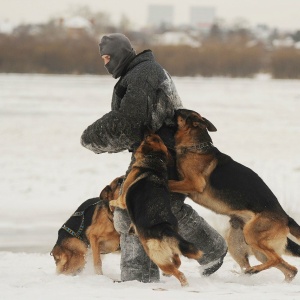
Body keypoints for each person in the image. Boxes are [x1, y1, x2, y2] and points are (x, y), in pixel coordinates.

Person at [80, 33, 227, 283]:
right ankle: (146, 274)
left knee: (144, 208)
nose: (106, 63)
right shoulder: (139, 72)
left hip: (163, 153)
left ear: (122, 53)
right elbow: (136, 126)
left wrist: (91, 138)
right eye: (102, 58)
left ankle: (146, 274)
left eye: (108, 57)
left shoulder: (143, 74)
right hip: (154, 152)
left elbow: (129, 123)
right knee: (138, 208)